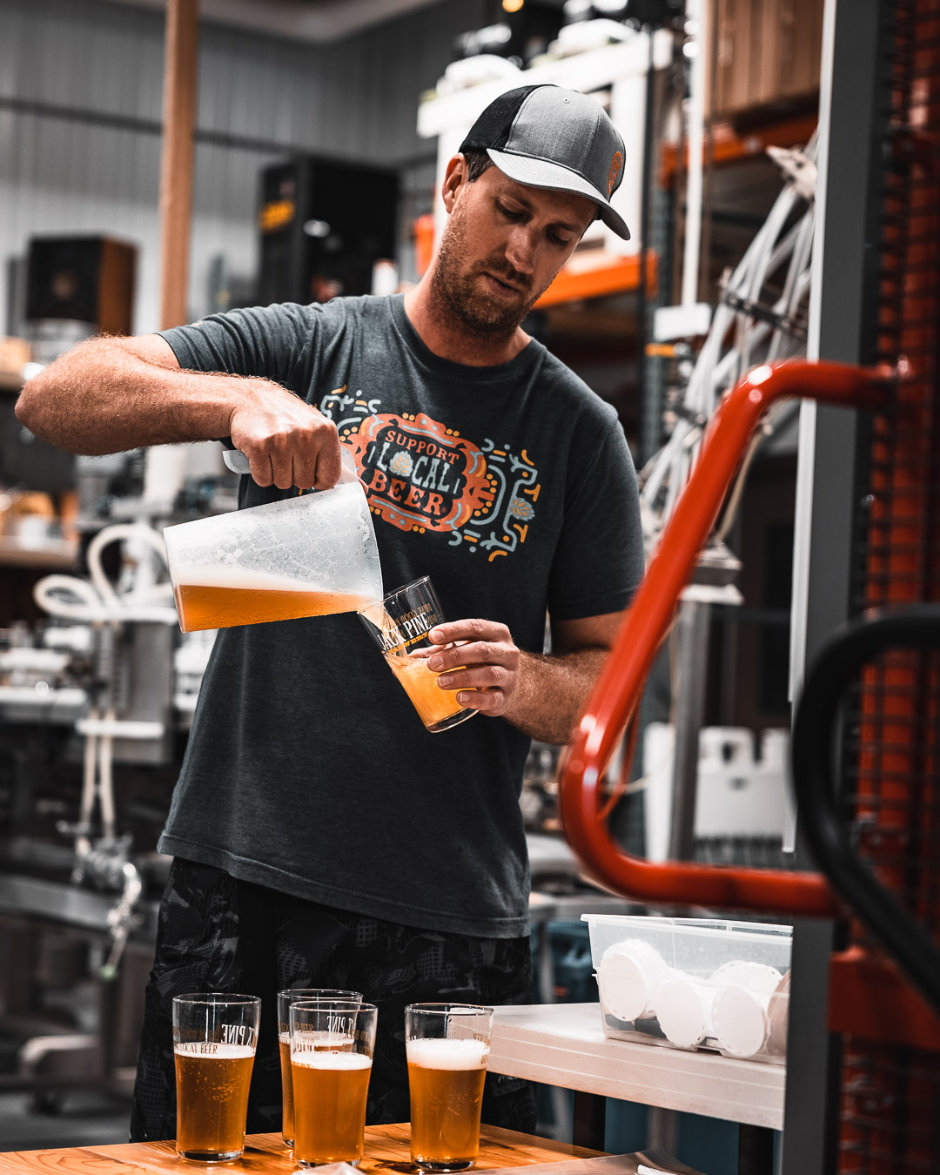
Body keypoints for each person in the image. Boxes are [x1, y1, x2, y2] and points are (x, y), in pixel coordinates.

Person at [16, 83, 644, 1139]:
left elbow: (606, 689)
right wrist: (235, 398)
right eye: (509, 210)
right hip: (243, 882)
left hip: (445, 917)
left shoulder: (582, 435)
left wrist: (525, 679)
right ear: (455, 181)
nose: (525, 251)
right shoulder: (311, 345)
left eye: (558, 236)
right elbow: (57, 394)